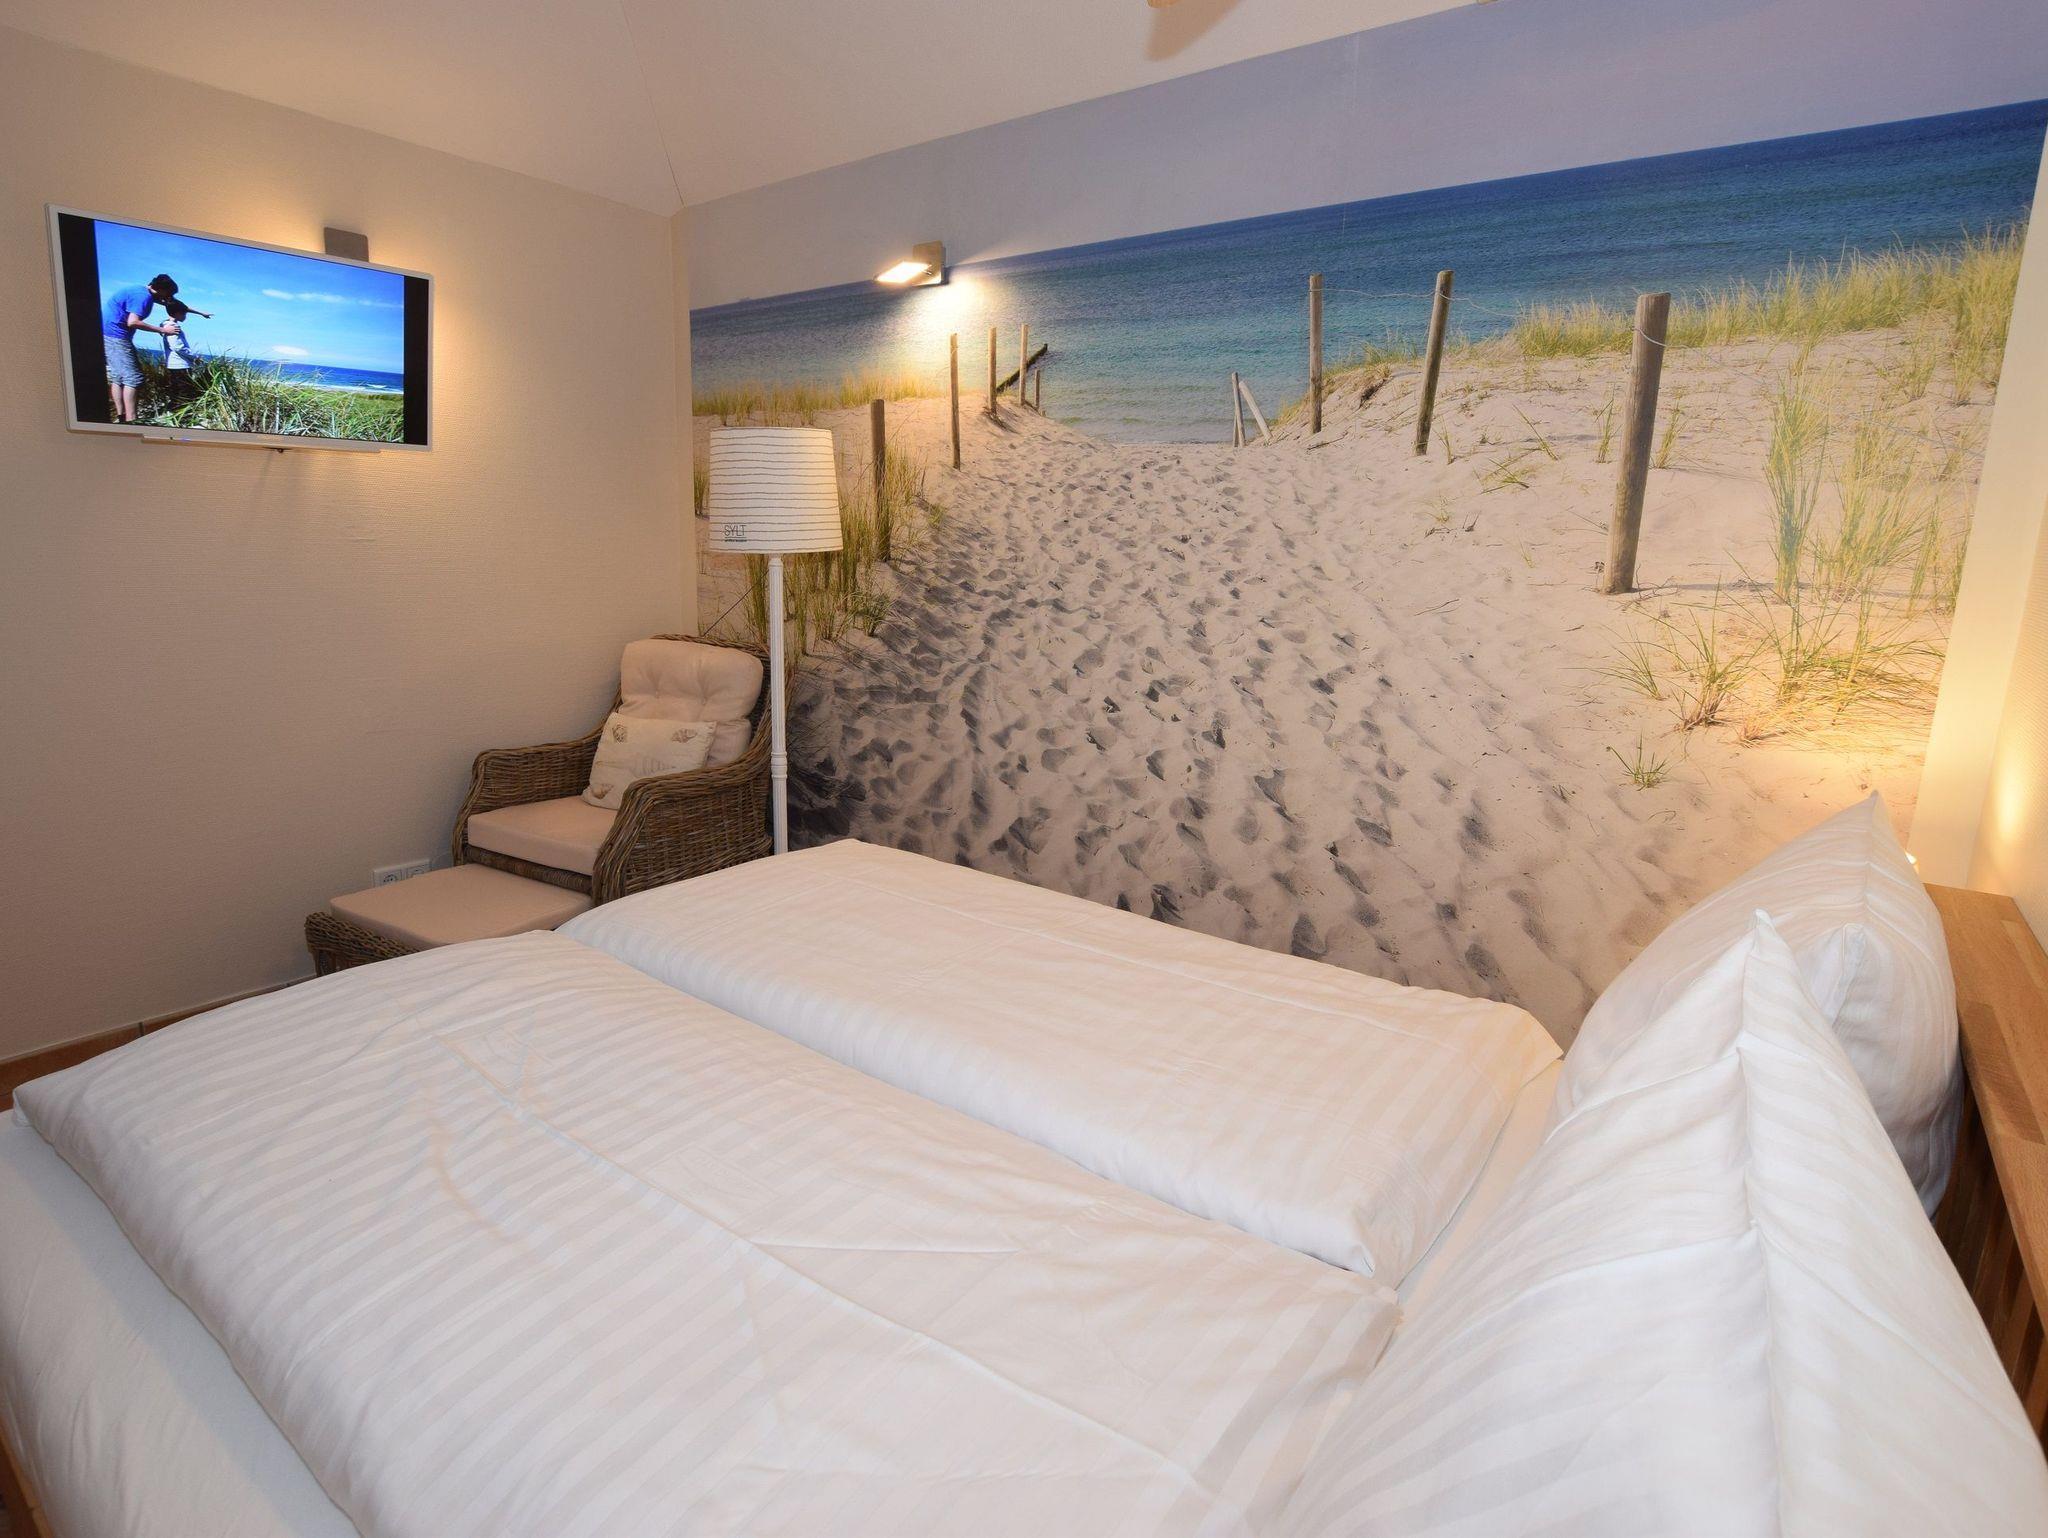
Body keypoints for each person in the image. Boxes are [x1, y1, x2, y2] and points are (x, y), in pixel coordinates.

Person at [101, 273, 180, 423]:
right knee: (134, 378)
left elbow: (175, 305)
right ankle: (132, 420)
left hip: (107, 334)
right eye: (169, 294)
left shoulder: (140, 290)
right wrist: (163, 330)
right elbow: (133, 322)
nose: (168, 298)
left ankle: (121, 416)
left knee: (118, 377)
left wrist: (200, 313)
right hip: (116, 337)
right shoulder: (143, 297)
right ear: (162, 290)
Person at [159, 296, 211, 401]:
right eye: (184, 314)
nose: (185, 316)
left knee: (176, 390)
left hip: (173, 364)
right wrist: (195, 357)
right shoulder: (173, 327)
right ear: (177, 313)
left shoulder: (165, 325)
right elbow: (178, 347)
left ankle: (174, 408)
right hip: (180, 364)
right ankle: (178, 409)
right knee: (184, 392)